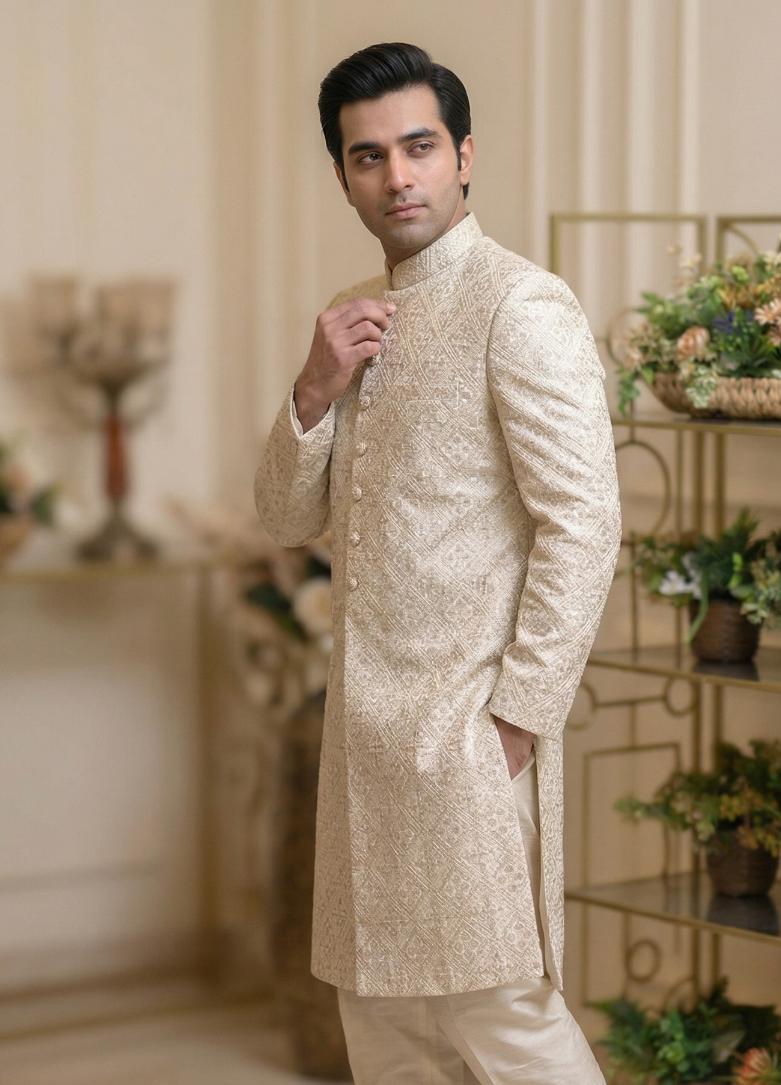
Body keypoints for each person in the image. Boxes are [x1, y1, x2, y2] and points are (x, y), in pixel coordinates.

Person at [254, 40, 621, 1084]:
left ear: (464, 156)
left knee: (504, 1018)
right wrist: (313, 389)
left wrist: (513, 721)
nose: (396, 176)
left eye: (418, 147)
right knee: (385, 1029)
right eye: (367, 156)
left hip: (465, 738)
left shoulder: (520, 304)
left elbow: (584, 522)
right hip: (362, 749)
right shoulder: (353, 319)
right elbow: (284, 516)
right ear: (343, 177)